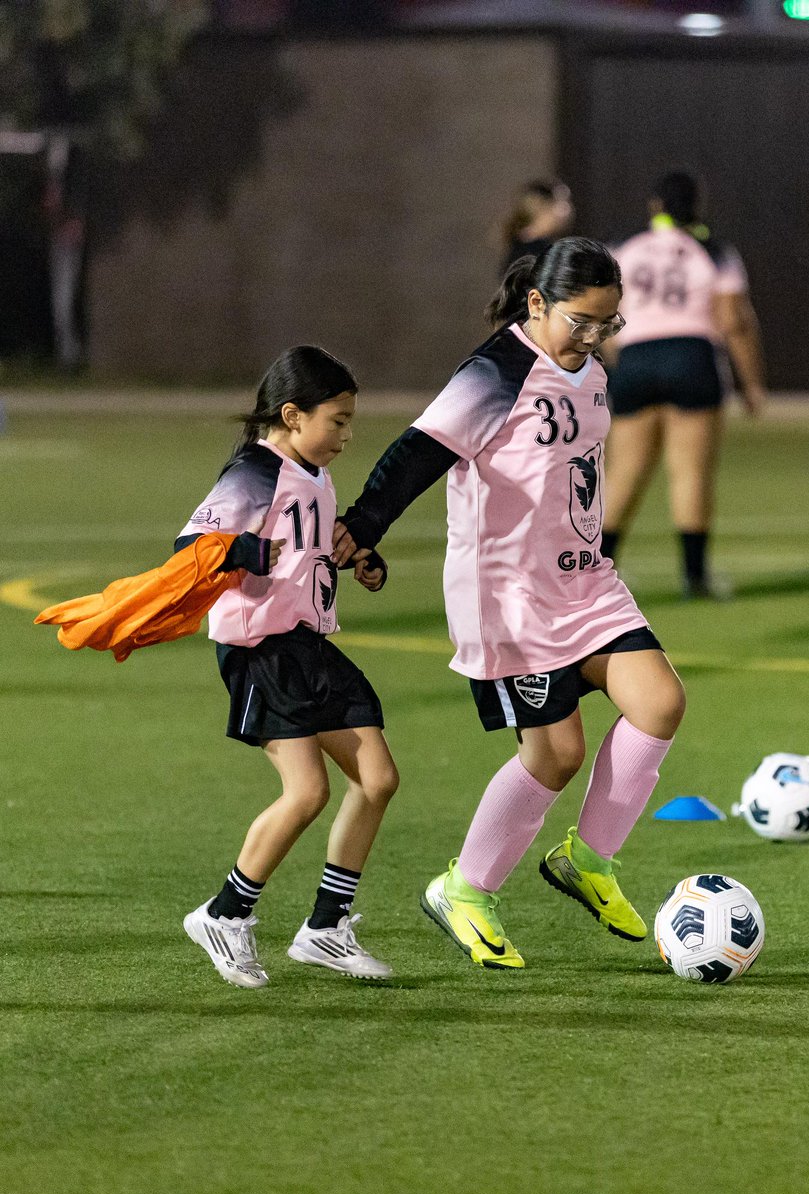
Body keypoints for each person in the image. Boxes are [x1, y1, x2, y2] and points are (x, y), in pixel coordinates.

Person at [334, 238, 685, 970]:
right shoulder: (497, 370)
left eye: (606, 324)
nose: (592, 338)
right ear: (536, 304)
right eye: (581, 322)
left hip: (585, 582)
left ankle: (586, 860)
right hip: (511, 598)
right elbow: (418, 451)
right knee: (555, 755)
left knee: (659, 702)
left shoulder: (588, 370)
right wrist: (363, 525)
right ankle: (463, 889)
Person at [179, 346, 399, 987]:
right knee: (307, 792)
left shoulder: (315, 476)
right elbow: (192, 546)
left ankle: (326, 930)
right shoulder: (256, 470)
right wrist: (247, 547)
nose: (348, 435)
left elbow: (307, 557)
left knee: (378, 778)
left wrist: (360, 561)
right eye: (338, 420)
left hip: (308, 648)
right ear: (293, 414)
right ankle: (225, 914)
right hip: (260, 652)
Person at [599, 171, 766, 598]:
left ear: (656, 206)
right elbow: (733, 321)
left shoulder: (626, 248)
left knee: (624, 472)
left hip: (636, 357)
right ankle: (695, 577)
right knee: (689, 472)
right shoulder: (714, 251)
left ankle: (594, 573)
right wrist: (751, 385)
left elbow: (602, 314)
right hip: (692, 357)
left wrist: (624, 359)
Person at [498, 179, 574, 273]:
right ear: (542, 208)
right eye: (560, 205)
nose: (567, 210)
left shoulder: (522, 247)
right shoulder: (535, 254)